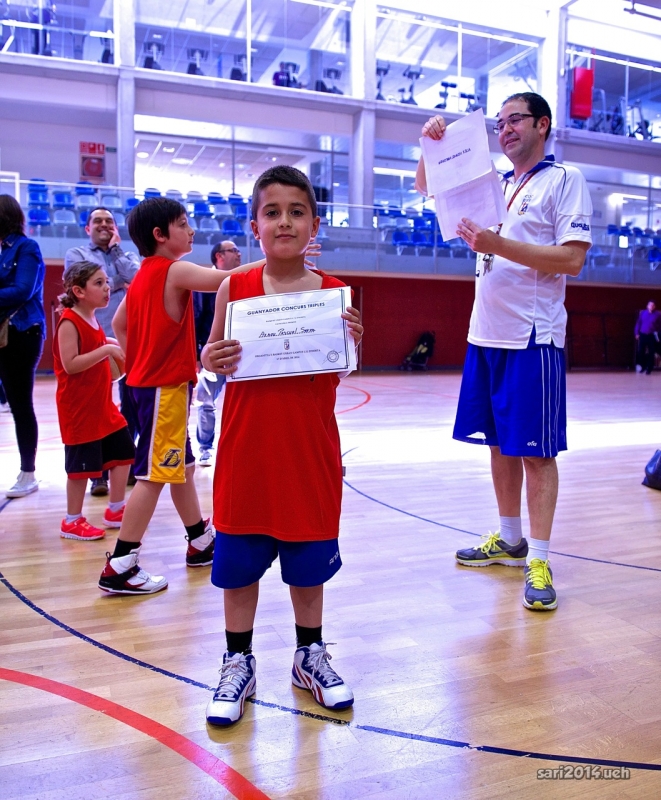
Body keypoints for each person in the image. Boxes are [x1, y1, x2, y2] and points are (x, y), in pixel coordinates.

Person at [416, 93, 592, 611]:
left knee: (536, 452)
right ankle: (510, 538)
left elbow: (571, 260)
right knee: (498, 444)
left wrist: (497, 245)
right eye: (499, 123)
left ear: (543, 124)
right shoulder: (495, 183)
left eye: (515, 119)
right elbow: (428, 185)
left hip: (532, 337)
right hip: (486, 334)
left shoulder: (565, 180)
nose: (505, 129)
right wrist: (428, 145)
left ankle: (539, 557)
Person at [201, 166, 363, 726]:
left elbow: (341, 368)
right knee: (239, 566)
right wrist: (210, 357)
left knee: (307, 564)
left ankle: (308, 654)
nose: (285, 222)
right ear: (255, 226)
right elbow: (211, 358)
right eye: (272, 212)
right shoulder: (233, 288)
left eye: (297, 212)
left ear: (314, 224)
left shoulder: (335, 294)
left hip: (308, 451)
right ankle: (237, 659)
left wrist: (353, 342)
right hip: (246, 451)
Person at [97, 198, 266, 595]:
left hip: (147, 387)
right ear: (160, 235)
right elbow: (226, 279)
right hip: (163, 389)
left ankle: (199, 540)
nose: (191, 231)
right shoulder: (172, 269)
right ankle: (120, 564)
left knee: (183, 466)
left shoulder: (143, 274)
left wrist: (139, 361)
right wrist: (275, 257)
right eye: (184, 224)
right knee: (154, 475)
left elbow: (120, 323)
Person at [53, 261, 135, 541]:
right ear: (79, 291)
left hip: (101, 405)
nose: (107, 287)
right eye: (98, 283)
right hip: (78, 409)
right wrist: (106, 350)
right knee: (80, 470)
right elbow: (71, 364)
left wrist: (107, 345)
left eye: (106, 282)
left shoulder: (92, 318)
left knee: (124, 452)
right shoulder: (69, 321)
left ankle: (116, 509)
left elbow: (95, 352)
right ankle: (71, 521)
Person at [64, 206, 140, 496]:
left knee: (129, 404)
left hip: (123, 336)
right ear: (88, 228)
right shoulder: (76, 253)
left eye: (109, 221)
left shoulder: (125, 253)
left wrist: (117, 255)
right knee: (95, 407)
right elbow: (82, 280)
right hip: (91, 337)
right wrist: (118, 280)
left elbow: (137, 278)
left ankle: (121, 463)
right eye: (98, 221)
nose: (104, 225)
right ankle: (98, 475)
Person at [0, 194, 46, 499]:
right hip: (7, 331)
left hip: (21, 332)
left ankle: (28, 472)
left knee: (20, 405)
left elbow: (23, 290)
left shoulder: (26, 247)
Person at [194, 241, 241, 466]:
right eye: (234, 250)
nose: (239, 254)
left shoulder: (241, 281)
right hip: (212, 355)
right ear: (219, 256)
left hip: (239, 353)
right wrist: (198, 356)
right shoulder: (204, 284)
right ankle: (205, 448)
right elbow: (196, 319)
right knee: (206, 403)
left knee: (242, 405)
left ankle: (238, 449)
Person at [634, 300, 661, 375]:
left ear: (654, 307)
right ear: (647, 306)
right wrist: (636, 333)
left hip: (651, 335)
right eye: (650, 305)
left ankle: (649, 368)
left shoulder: (658, 314)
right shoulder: (643, 313)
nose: (651, 306)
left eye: (653, 305)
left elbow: (660, 325)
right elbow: (638, 323)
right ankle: (642, 367)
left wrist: (657, 333)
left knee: (651, 352)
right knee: (641, 351)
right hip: (643, 334)